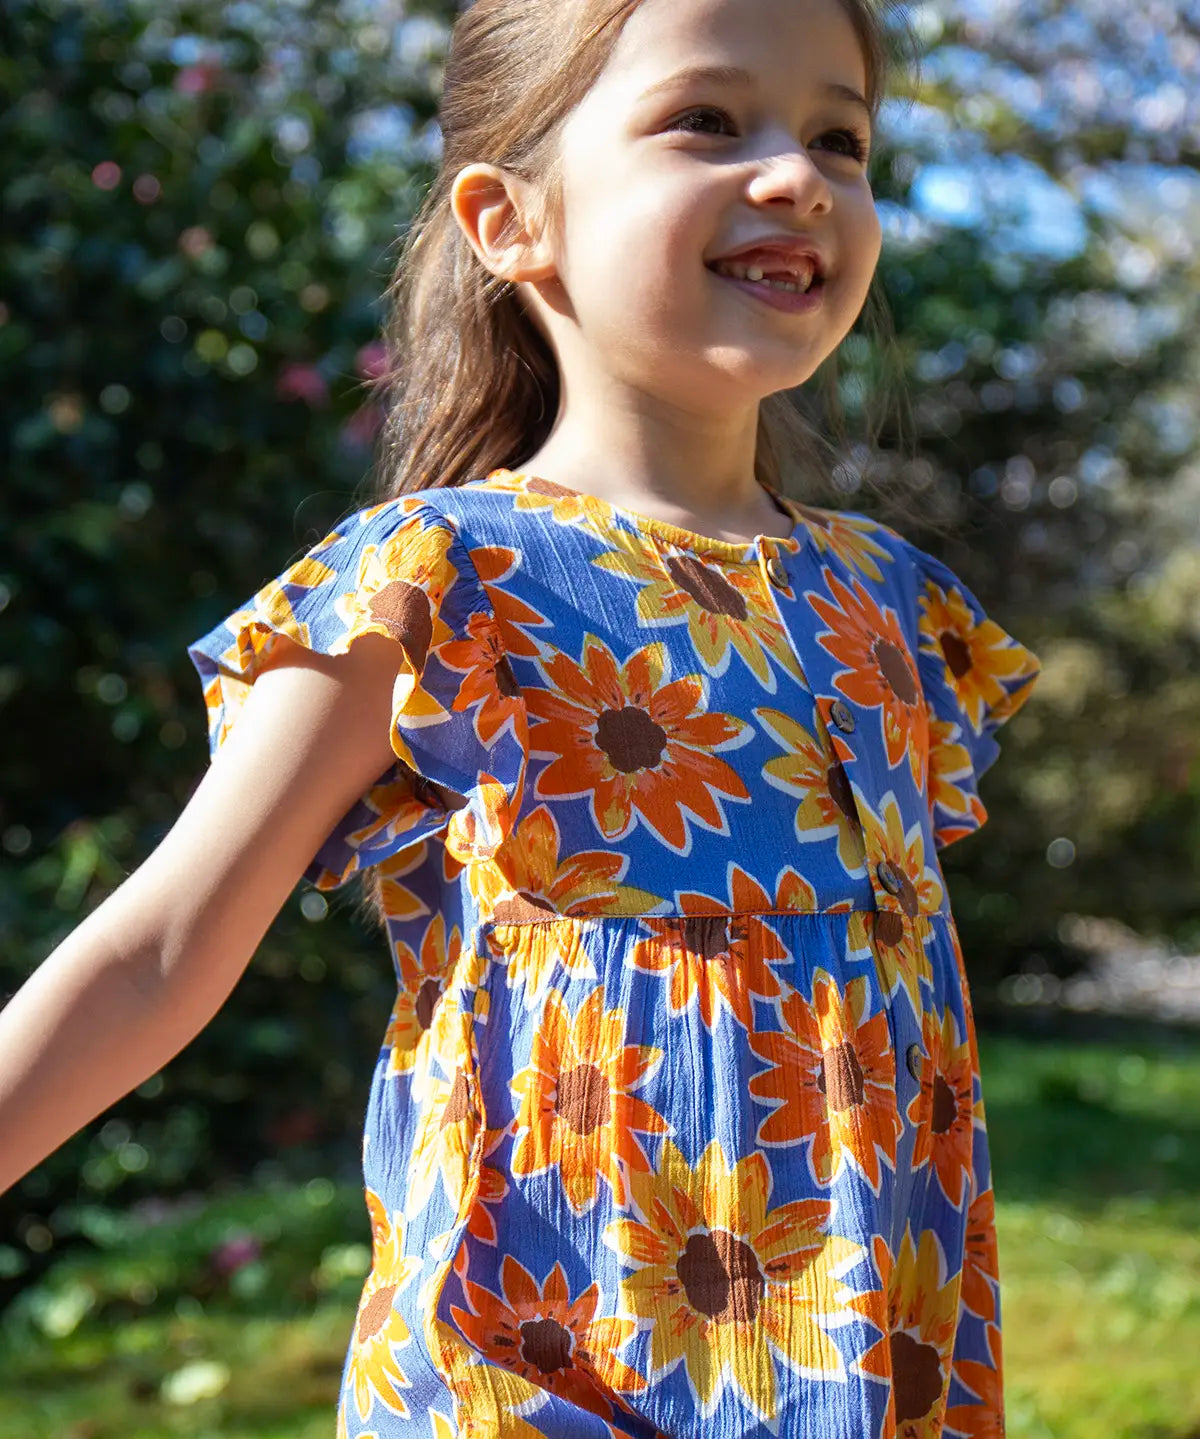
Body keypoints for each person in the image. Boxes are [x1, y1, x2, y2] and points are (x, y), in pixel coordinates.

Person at [0, 0, 1042, 1433]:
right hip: (538, 1377)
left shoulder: (894, 611)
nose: (797, 177)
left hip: (872, 1382)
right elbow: (159, 950)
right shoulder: (438, 586)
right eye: (706, 120)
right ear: (511, 220)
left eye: (839, 138)